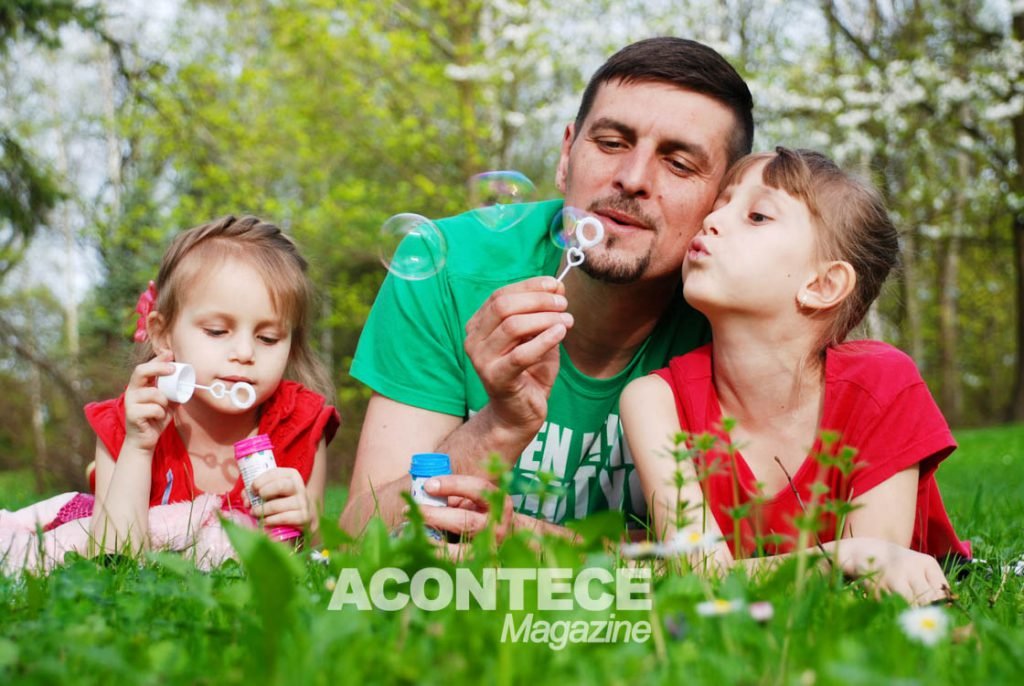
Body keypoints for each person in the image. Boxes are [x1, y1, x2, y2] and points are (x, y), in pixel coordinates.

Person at [341, 37, 755, 541]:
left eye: (679, 163)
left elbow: (741, 560)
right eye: (611, 143)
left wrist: (536, 544)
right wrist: (501, 425)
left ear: (722, 202)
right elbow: (359, 535)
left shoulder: (739, 313)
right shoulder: (442, 265)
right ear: (566, 155)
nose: (632, 178)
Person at [620, 147, 970, 604]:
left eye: (757, 216)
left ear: (822, 284)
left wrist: (859, 557)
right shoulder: (652, 399)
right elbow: (699, 573)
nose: (712, 220)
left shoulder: (882, 384)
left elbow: (874, 581)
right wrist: (841, 554)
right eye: (720, 203)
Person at [1, 215, 340, 572]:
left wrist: (310, 525)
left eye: (268, 337)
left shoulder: (301, 425)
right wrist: (138, 447)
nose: (244, 352)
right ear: (163, 334)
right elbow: (112, 557)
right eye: (216, 331)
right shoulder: (127, 423)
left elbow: (315, 561)